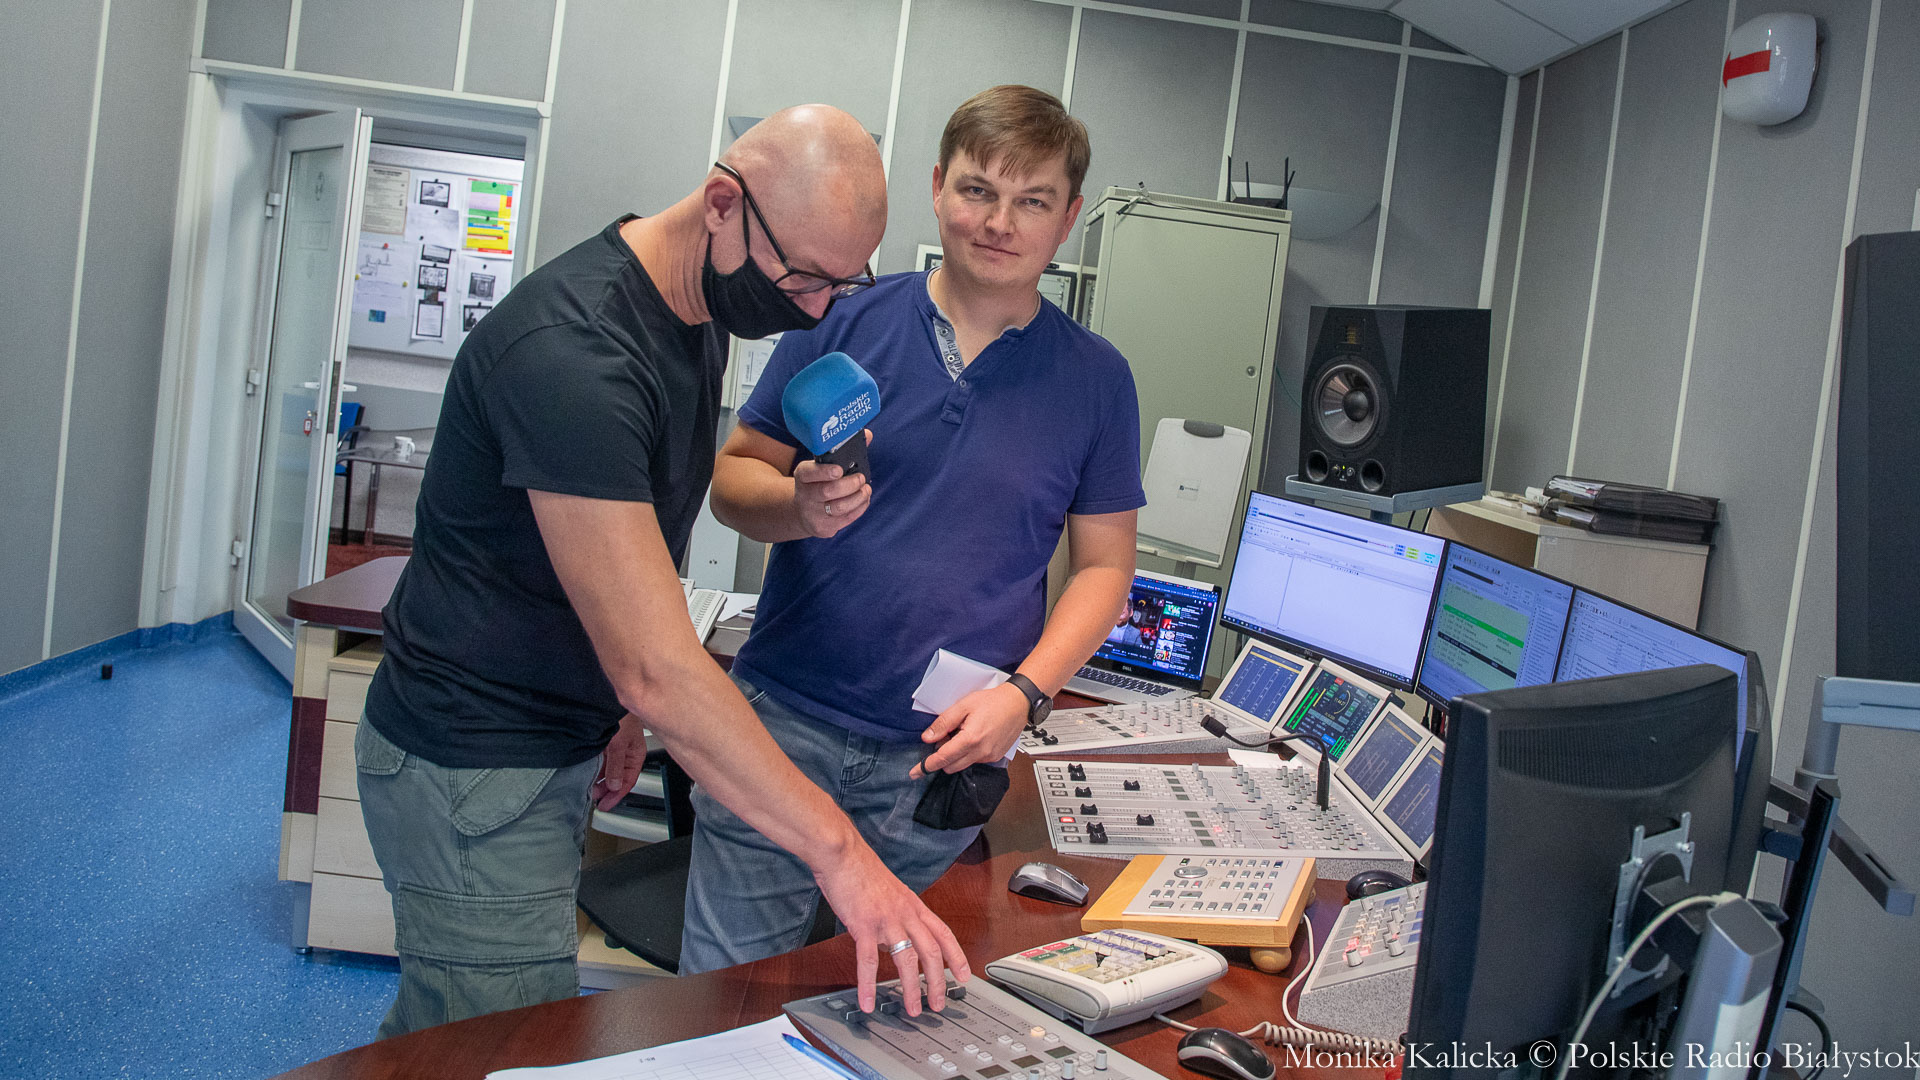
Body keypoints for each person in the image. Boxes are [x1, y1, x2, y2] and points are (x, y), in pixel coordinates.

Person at [353, 104, 967, 1040]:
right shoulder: (574, 355)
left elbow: (624, 555)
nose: (814, 310)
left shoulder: (691, 308)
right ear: (722, 204)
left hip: (548, 737)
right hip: (472, 757)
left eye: (842, 284)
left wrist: (617, 709)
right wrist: (842, 854)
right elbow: (655, 662)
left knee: (445, 1030)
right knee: (497, 1047)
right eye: (803, 277)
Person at [686, 85, 1142, 973]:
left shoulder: (1097, 380)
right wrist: (795, 506)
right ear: (937, 188)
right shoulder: (838, 315)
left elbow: (1103, 569)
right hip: (780, 731)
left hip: (938, 761)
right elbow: (733, 480)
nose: (999, 223)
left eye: (1032, 201)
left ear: (1068, 218)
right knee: (723, 997)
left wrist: (1025, 695)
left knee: (887, 1010)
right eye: (977, 190)